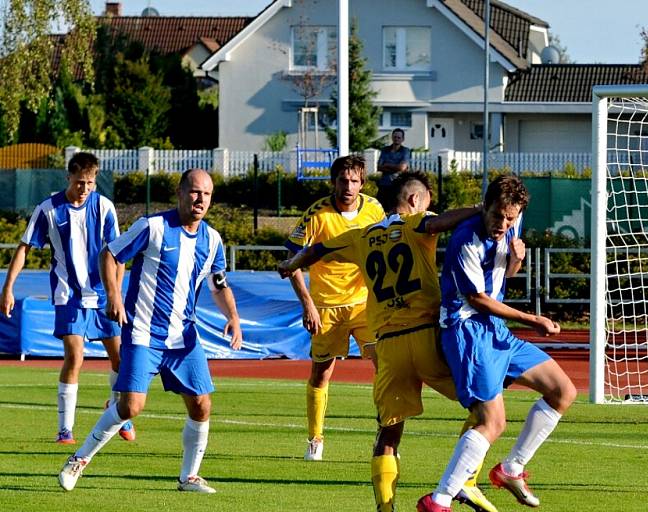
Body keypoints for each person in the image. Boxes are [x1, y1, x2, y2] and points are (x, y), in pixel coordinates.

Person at [278, 171, 498, 512]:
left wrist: (291, 264)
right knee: (486, 412)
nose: (430, 207)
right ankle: (465, 481)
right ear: (414, 202)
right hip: (427, 339)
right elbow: (441, 222)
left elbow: (318, 249)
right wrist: (479, 208)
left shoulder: (361, 236)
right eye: (427, 200)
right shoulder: (416, 224)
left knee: (389, 431)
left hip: (390, 346)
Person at [57, 168, 243, 494]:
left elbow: (218, 283)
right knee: (131, 407)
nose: (200, 200)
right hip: (143, 332)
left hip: (183, 337)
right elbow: (110, 253)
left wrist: (233, 316)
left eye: (207, 195)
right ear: (180, 193)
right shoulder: (153, 226)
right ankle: (79, 460)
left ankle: (189, 477)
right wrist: (114, 295)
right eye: (195, 192)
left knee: (202, 404)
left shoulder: (212, 239)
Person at [416, 174, 576, 512]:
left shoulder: (511, 222)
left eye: (509, 218)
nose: (502, 224)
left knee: (562, 392)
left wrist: (517, 261)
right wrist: (532, 319)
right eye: (497, 216)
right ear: (484, 207)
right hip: (467, 332)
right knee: (492, 423)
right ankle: (439, 499)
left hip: (496, 331)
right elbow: (477, 299)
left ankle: (511, 468)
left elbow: (502, 276)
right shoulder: (465, 239)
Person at [1, 152, 135, 444]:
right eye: (79, 182)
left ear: (95, 181)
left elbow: (120, 254)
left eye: (89, 183)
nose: (84, 189)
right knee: (74, 356)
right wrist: (8, 288)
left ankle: (118, 412)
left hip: (102, 296)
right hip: (68, 295)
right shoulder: (48, 209)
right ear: (68, 178)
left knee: (121, 359)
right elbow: (24, 248)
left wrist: (116, 294)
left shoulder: (104, 207)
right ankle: (65, 429)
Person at [284, 155, 384, 461]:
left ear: (362, 183)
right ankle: (315, 439)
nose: (349, 186)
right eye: (343, 180)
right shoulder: (317, 214)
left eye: (354, 181)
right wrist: (308, 304)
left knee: (385, 367)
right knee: (322, 373)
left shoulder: (375, 209)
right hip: (326, 305)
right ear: (333, 182)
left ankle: (385, 437)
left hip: (365, 304)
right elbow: (291, 261)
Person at [376, 128, 411, 211]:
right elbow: (379, 167)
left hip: (397, 184)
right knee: (380, 209)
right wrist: (396, 167)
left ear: (403, 139)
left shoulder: (405, 151)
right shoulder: (385, 150)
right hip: (384, 185)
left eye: (399, 137)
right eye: (395, 137)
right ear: (392, 137)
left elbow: (402, 168)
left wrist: (387, 165)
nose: (396, 139)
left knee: (395, 210)